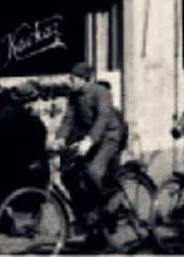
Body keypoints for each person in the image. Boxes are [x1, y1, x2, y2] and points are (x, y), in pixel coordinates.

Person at [52, 62, 128, 238]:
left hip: (109, 137)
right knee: (68, 175)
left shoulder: (101, 92)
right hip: (90, 139)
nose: (70, 81)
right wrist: (59, 138)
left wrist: (89, 140)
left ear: (85, 79)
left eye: (73, 78)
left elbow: (103, 118)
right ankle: (88, 217)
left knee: (93, 171)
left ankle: (112, 198)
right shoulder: (74, 95)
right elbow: (68, 119)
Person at [0, 82, 48, 231]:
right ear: (29, 101)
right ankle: (26, 222)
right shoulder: (25, 118)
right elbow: (36, 140)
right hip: (14, 164)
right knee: (31, 186)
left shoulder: (0, 112)